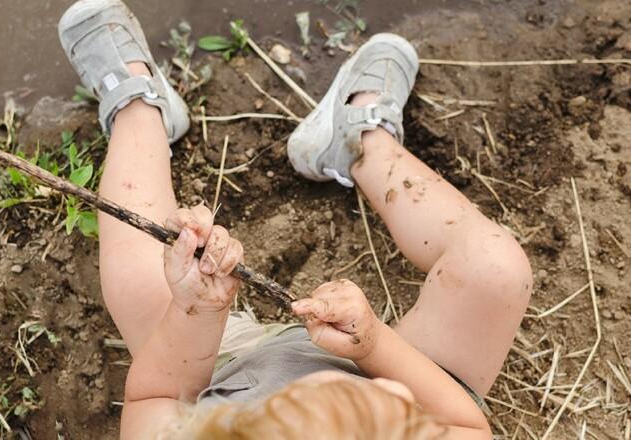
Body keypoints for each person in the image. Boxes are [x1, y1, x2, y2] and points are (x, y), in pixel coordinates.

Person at [58, 1, 532, 438]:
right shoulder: (405, 402)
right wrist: (374, 350)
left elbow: (155, 397)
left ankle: (138, 109)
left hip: (226, 369)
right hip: (398, 368)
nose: (394, 390)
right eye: (395, 410)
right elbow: (464, 426)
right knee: (495, 267)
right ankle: (360, 141)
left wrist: (198, 310)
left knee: (140, 274)